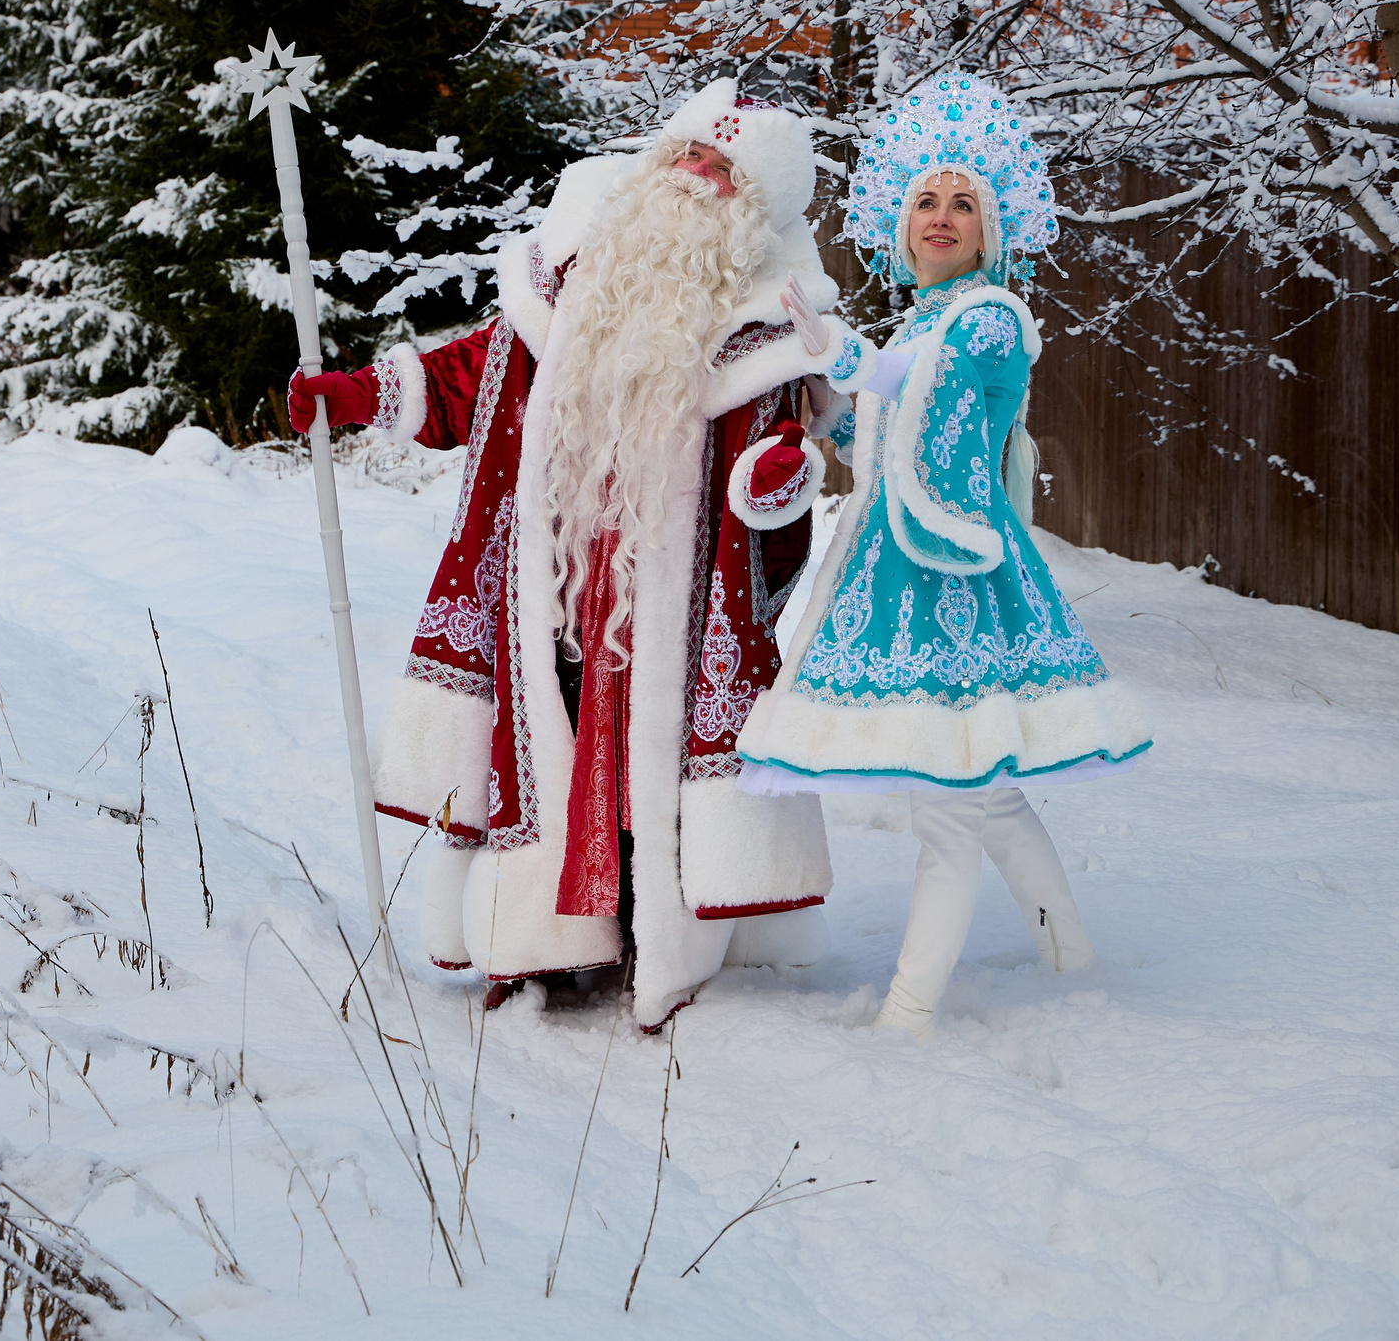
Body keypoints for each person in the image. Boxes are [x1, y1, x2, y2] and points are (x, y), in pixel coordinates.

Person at [289, 79, 841, 1030]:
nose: (696, 180)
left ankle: (644, 939)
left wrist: (782, 474)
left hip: (671, 604)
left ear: (750, 211)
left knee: (645, 771)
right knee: (543, 750)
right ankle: (539, 944)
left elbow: (773, 508)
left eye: (722, 173)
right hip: (553, 586)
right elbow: (469, 377)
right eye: (689, 160)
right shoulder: (568, 278)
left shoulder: (766, 336)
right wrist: (359, 395)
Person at [735, 71, 1151, 1040]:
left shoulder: (991, 318)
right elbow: (891, 407)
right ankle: (1071, 956)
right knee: (986, 790)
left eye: (963, 202)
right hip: (903, 564)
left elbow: (937, 407)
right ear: (899, 220)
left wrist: (851, 364)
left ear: (990, 227)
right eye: (925, 198)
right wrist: (835, 383)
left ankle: (909, 1012)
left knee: (951, 806)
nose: (941, 215)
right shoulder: (927, 319)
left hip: (946, 570)